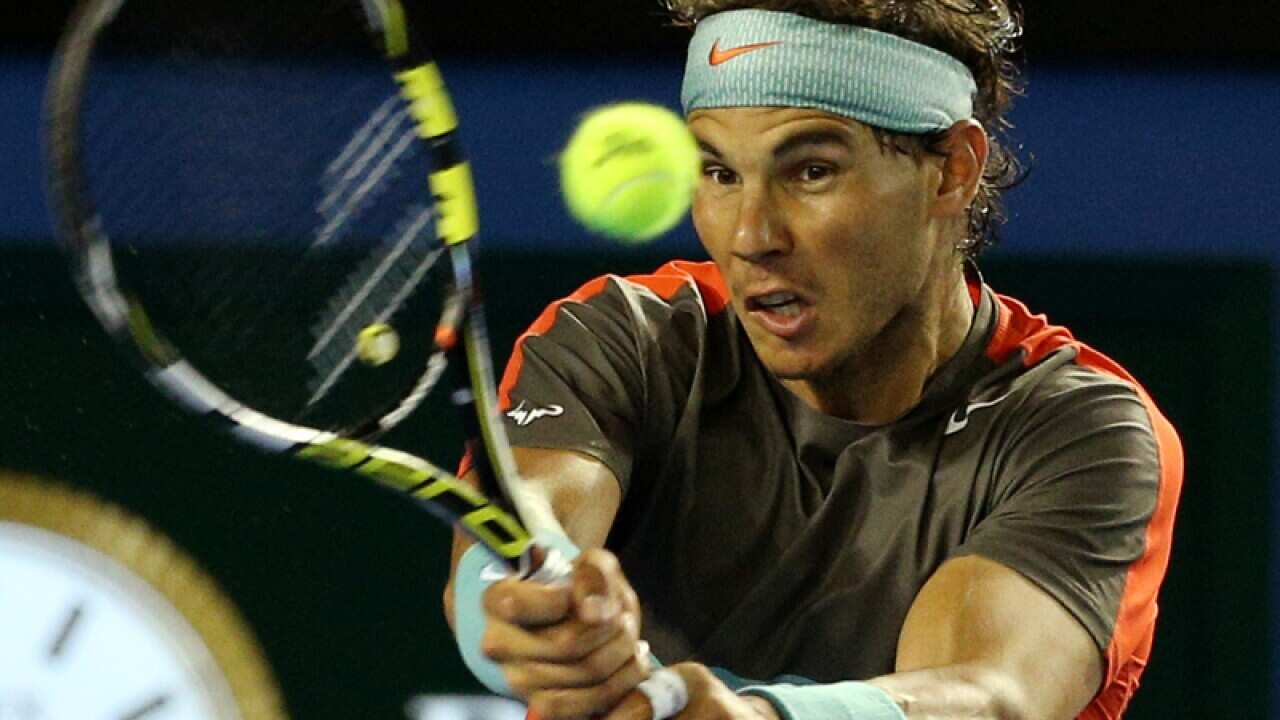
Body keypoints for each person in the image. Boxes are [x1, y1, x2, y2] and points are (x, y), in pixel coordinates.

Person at [445, 2, 1183, 719]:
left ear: (951, 171)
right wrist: (531, 608)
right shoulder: (624, 339)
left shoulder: (1082, 431)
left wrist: (761, 717)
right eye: (720, 174)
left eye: (811, 171)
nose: (751, 235)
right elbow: (527, 528)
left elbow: (989, 696)